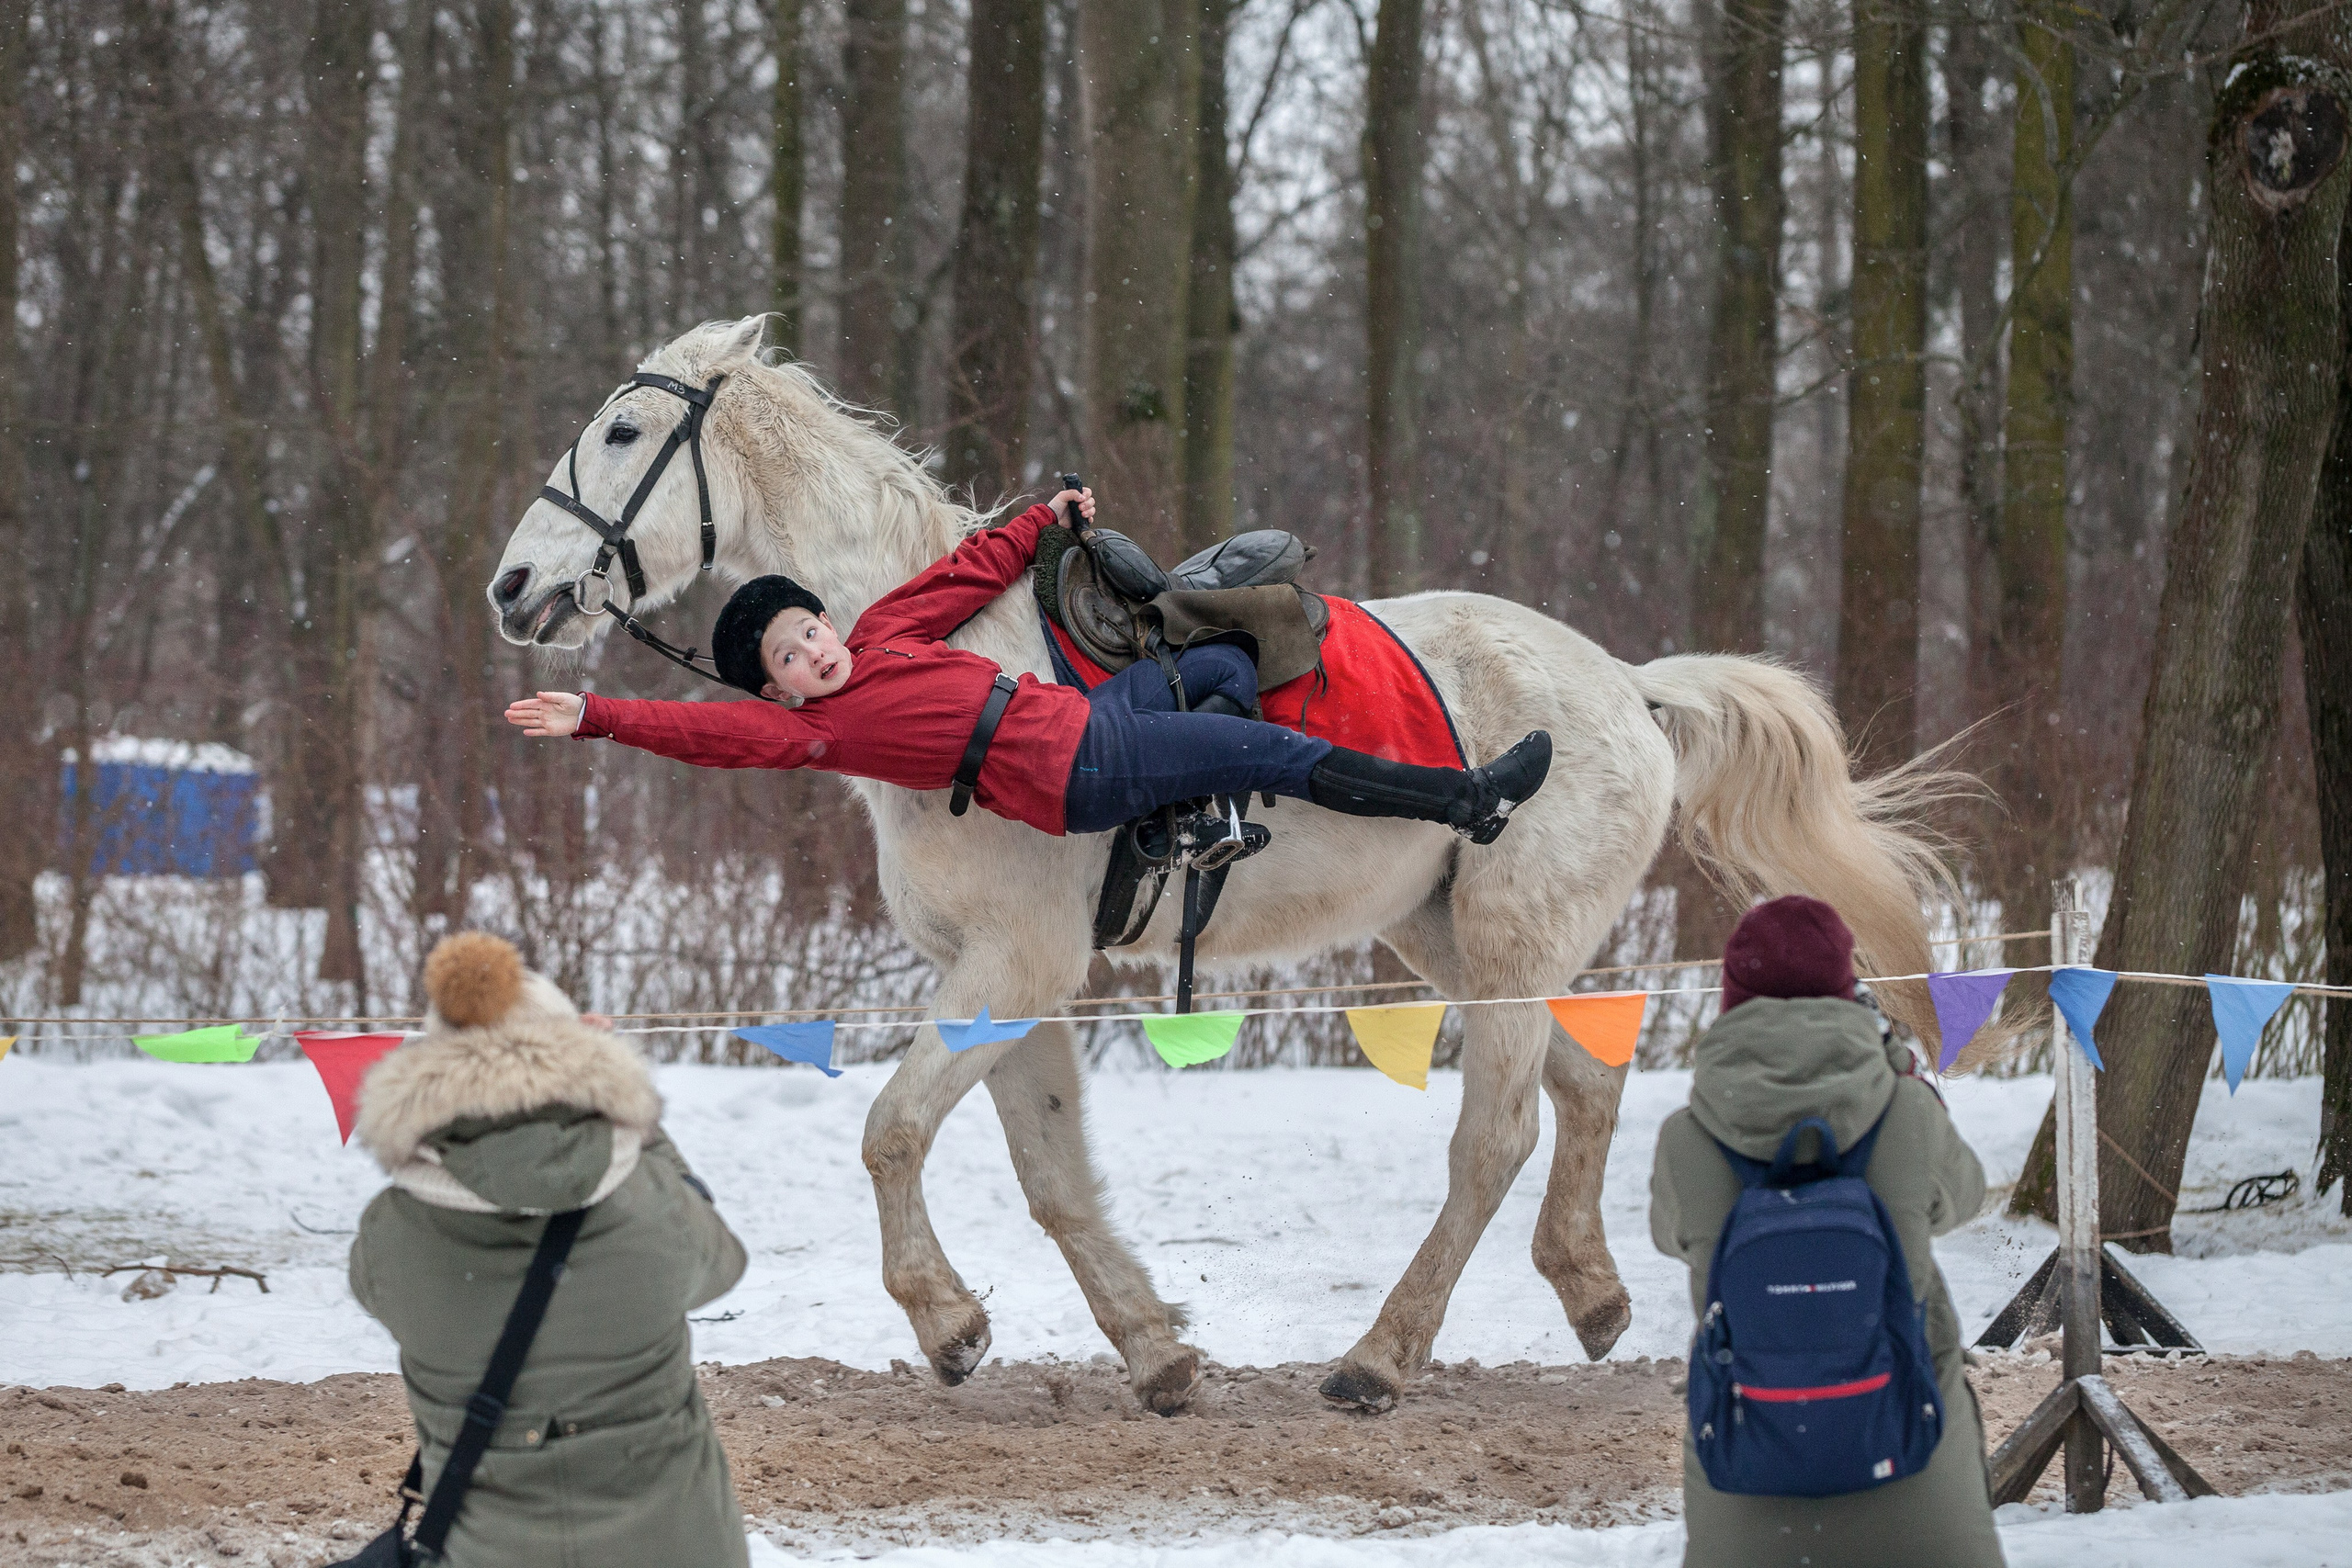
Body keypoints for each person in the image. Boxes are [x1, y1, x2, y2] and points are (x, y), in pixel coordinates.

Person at [503, 487, 1552, 843]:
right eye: (792, 657)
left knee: (1226, 655)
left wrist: (1041, 521)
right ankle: (1464, 802)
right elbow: (708, 736)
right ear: (778, 688)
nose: (816, 651)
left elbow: (966, 574)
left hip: (1098, 715)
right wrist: (596, 714)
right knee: (1270, 747)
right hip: (1080, 771)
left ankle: (1191, 810)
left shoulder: (884, 639)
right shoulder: (813, 730)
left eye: (810, 630)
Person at [349, 932, 751, 1567]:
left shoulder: (388, 1234)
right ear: (574, 1059)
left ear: (430, 1071)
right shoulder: (653, 1201)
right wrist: (631, 1122)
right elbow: (723, 1261)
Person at [1648, 896, 2004, 1568]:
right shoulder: (1904, 1110)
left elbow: (1670, 1235)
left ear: (1732, 998)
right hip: (1915, 1479)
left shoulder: (1685, 1138)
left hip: (1748, 1489)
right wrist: (1907, 1083)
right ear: (1847, 989)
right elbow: (1966, 1194)